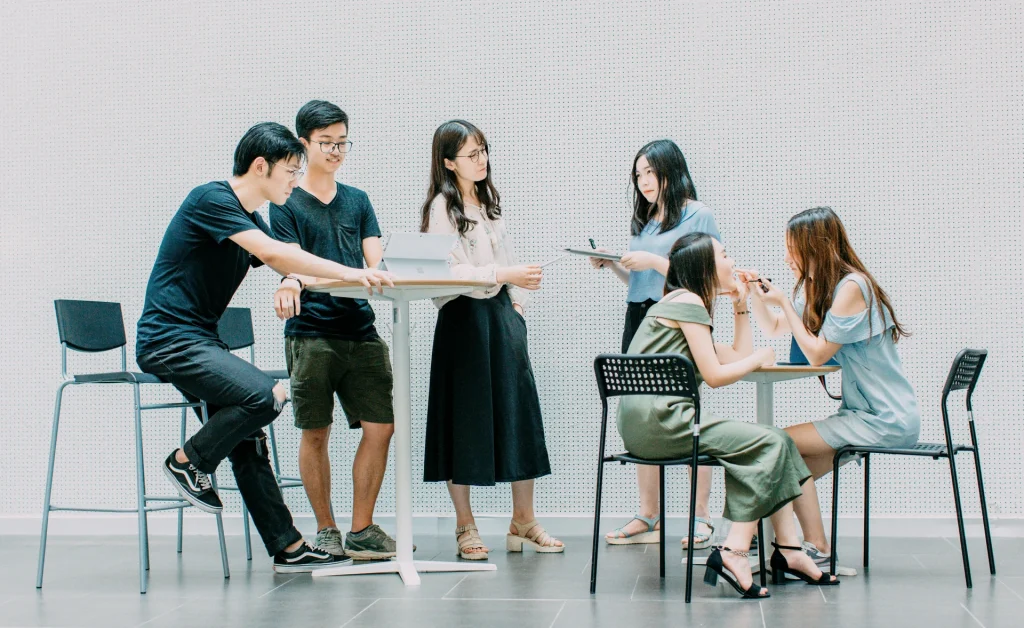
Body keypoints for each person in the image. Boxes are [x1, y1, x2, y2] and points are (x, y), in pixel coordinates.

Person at [136, 122, 393, 573]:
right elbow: (277, 256)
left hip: (200, 340)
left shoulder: (249, 218)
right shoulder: (211, 200)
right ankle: (186, 461)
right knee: (265, 395)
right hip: (168, 339)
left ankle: (288, 546)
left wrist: (331, 274)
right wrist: (353, 273)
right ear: (261, 167)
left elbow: (291, 260)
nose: (296, 182)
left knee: (248, 440)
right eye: (291, 172)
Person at [617, 231, 839, 598]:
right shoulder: (688, 302)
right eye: (724, 254)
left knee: (775, 442)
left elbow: (735, 354)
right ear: (705, 266)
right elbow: (720, 376)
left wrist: (740, 305)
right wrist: (762, 357)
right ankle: (735, 552)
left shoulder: (676, 303)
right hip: (666, 424)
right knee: (772, 441)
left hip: (645, 426)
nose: (732, 262)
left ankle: (789, 549)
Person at [420, 119, 563, 560]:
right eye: (471, 154)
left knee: (518, 415)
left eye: (484, 150)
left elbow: (510, 261)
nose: (481, 160)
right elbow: (446, 273)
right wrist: (503, 277)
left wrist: (516, 306)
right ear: (448, 162)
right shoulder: (441, 208)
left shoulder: (488, 201)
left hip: (501, 317)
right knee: (463, 421)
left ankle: (524, 521)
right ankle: (466, 526)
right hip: (463, 321)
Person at [750, 206, 920, 569]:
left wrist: (783, 301)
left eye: (791, 247)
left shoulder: (852, 287)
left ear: (815, 246)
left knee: (779, 441)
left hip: (885, 418)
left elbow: (815, 354)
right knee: (787, 467)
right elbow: (777, 328)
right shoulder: (822, 288)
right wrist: (754, 298)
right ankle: (800, 546)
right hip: (862, 414)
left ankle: (807, 545)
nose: (786, 257)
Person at [269, 100, 398, 560]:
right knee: (315, 432)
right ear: (303, 144)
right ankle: (326, 529)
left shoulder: (358, 200)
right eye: (327, 143)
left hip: (361, 330)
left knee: (381, 426)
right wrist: (295, 279)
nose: (337, 151)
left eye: (343, 142)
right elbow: (290, 262)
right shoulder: (285, 203)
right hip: (311, 334)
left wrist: (385, 267)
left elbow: (373, 261)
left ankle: (362, 528)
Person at [591, 140, 720, 550]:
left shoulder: (698, 214)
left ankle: (700, 518)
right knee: (640, 410)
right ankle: (649, 514)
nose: (644, 181)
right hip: (641, 317)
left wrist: (652, 261)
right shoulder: (645, 221)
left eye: (651, 172)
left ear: (671, 170)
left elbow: (705, 274)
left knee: (685, 410)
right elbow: (640, 284)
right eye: (638, 174)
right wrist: (614, 263)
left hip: (681, 317)